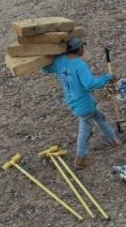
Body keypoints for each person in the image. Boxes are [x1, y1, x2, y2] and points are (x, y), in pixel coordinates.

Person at [47, 35, 120, 168]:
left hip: (72, 100)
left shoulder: (59, 61)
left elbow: (46, 68)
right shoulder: (79, 65)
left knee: (99, 116)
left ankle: (112, 138)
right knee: (85, 130)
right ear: (79, 49)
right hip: (84, 104)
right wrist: (107, 78)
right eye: (82, 47)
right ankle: (80, 158)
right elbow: (89, 84)